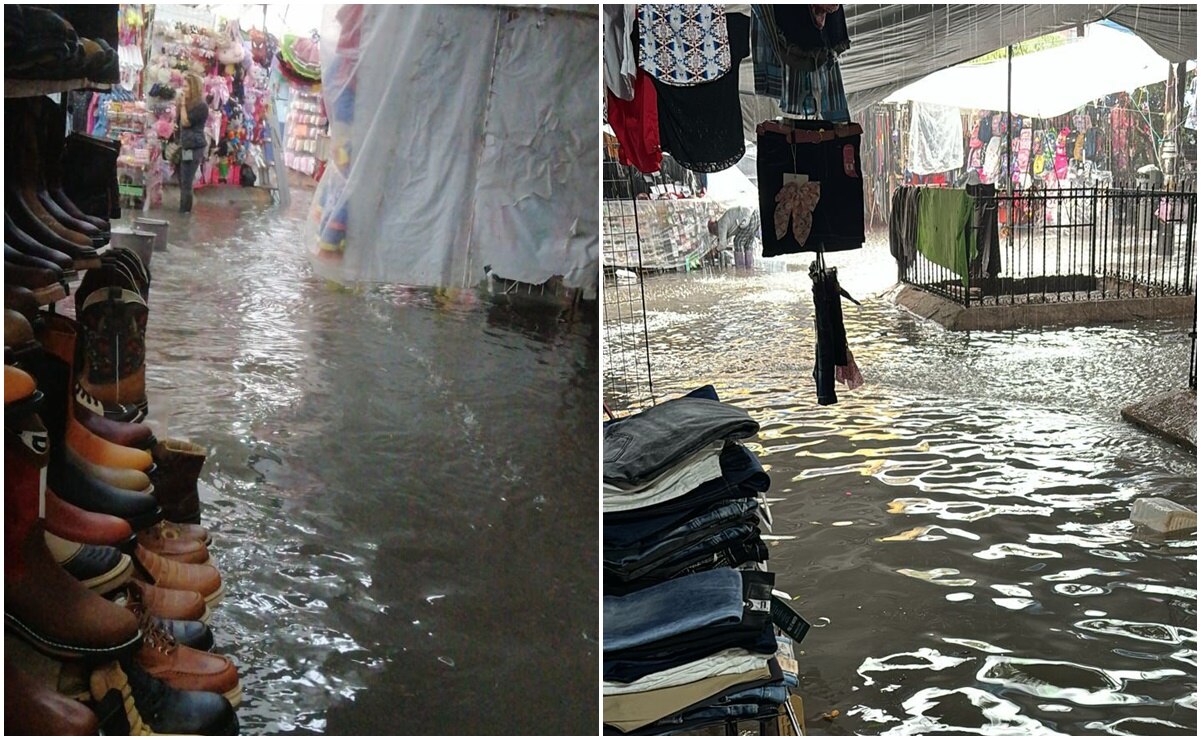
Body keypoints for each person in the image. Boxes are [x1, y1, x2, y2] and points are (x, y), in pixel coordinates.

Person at [176, 73, 208, 214]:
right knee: (183, 180)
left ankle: (185, 212)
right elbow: (179, 123)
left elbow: (185, 122)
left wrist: (182, 104)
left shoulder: (201, 106)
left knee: (187, 181)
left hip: (195, 146)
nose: (183, 89)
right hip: (186, 146)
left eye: (186, 86)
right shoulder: (187, 104)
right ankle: (184, 208)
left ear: (193, 88)